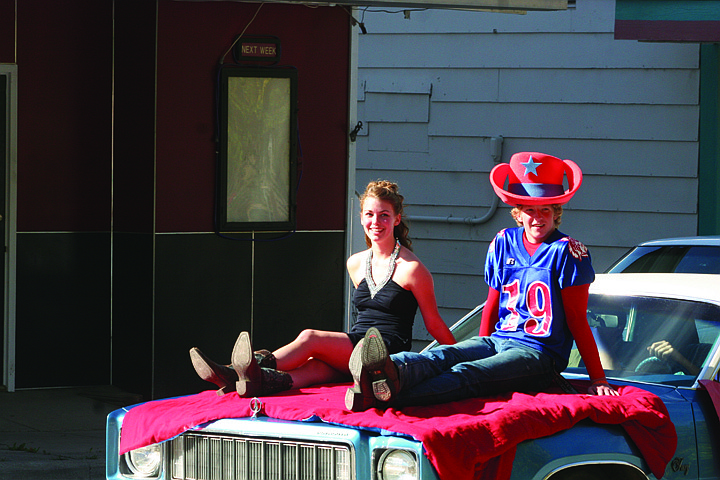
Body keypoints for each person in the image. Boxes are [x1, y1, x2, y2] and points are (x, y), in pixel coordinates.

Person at [346, 152, 619, 412]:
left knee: (469, 373)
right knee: (446, 355)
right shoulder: (503, 242)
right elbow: (492, 304)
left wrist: (598, 379)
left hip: (537, 353)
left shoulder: (568, 250)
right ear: (518, 211)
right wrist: (481, 345)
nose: (538, 218)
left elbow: (576, 318)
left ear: (556, 212)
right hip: (500, 339)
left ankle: (384, 397)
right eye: (530, 210)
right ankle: (384, 369)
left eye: (545, 210)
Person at [190, 180, 456, 398]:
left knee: (310, 338)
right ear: (361, 217)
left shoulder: (412, 269)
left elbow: (433, 324)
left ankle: (240, 369)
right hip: (354, 351)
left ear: (397, 219)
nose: (376, 222)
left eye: (384, 215)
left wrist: (464, 358)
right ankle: (255, 383)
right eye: (370, 214)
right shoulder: (356, 263)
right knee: (311, 368)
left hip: (383, 353)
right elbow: (364, 318)